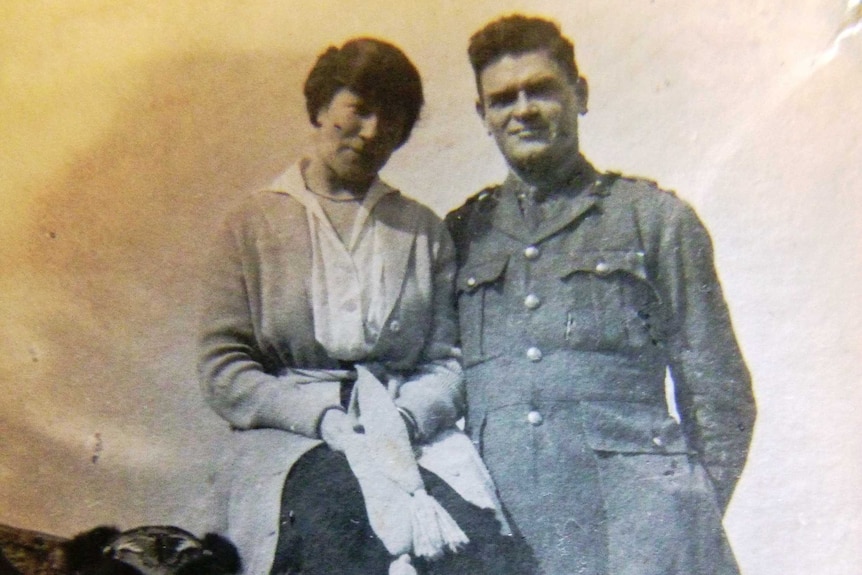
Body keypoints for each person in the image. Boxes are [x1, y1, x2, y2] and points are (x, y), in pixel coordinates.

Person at [445, 15, 757, 575]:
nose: (523, 110)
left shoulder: (654, 220)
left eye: (541, 89)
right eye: (502, 99)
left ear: (580, 95)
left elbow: (720, 393)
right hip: (509, 538)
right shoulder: (461, 235)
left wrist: (684, 519)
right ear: (483, 117)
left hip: (640, 537)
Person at [198, 38, 516, 575]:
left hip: (411, 433)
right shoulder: (251, 224)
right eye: (359, 110)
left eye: (391, 121)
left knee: (475, 546)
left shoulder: (421, 231)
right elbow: (224, 367)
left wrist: (407, 419)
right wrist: (321, 418)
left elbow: (446, 361)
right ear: (321, 107)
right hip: (293, 437)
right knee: (338, 526)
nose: (372, 132)